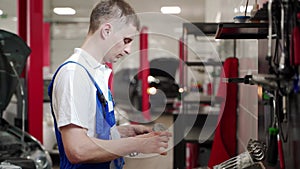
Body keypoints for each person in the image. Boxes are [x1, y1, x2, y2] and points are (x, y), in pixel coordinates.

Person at [48, 0, 172, 169]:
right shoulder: (74, 74)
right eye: (126, 40)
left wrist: (121, 134)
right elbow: (78, 150)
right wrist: (137, 145)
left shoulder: (96, 73)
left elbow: (91, 132)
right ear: (106, 31)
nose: (128, 50)